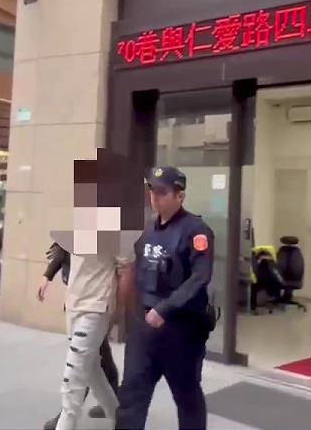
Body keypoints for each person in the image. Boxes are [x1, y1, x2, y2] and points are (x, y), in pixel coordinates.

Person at [116, 166, 215, 430]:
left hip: (181, 328)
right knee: (131, 394)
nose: (155, 197)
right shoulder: (148, 229)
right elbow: (136, 270)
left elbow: (200, 277)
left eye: (162, 192)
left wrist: (165, 309)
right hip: (145, 327)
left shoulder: (196, 231)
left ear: (180, 196)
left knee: (186, 394)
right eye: (152, 190)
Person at [39, 242, 121, 430]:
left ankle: (65, 421)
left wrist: (120, 311)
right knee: (93, 372)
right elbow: (65, 249)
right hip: (75, 305)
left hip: (96, 307)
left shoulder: (116, 233)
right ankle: (120, 419)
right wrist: (47, 275)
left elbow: (126, 270)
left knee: (73, 380)